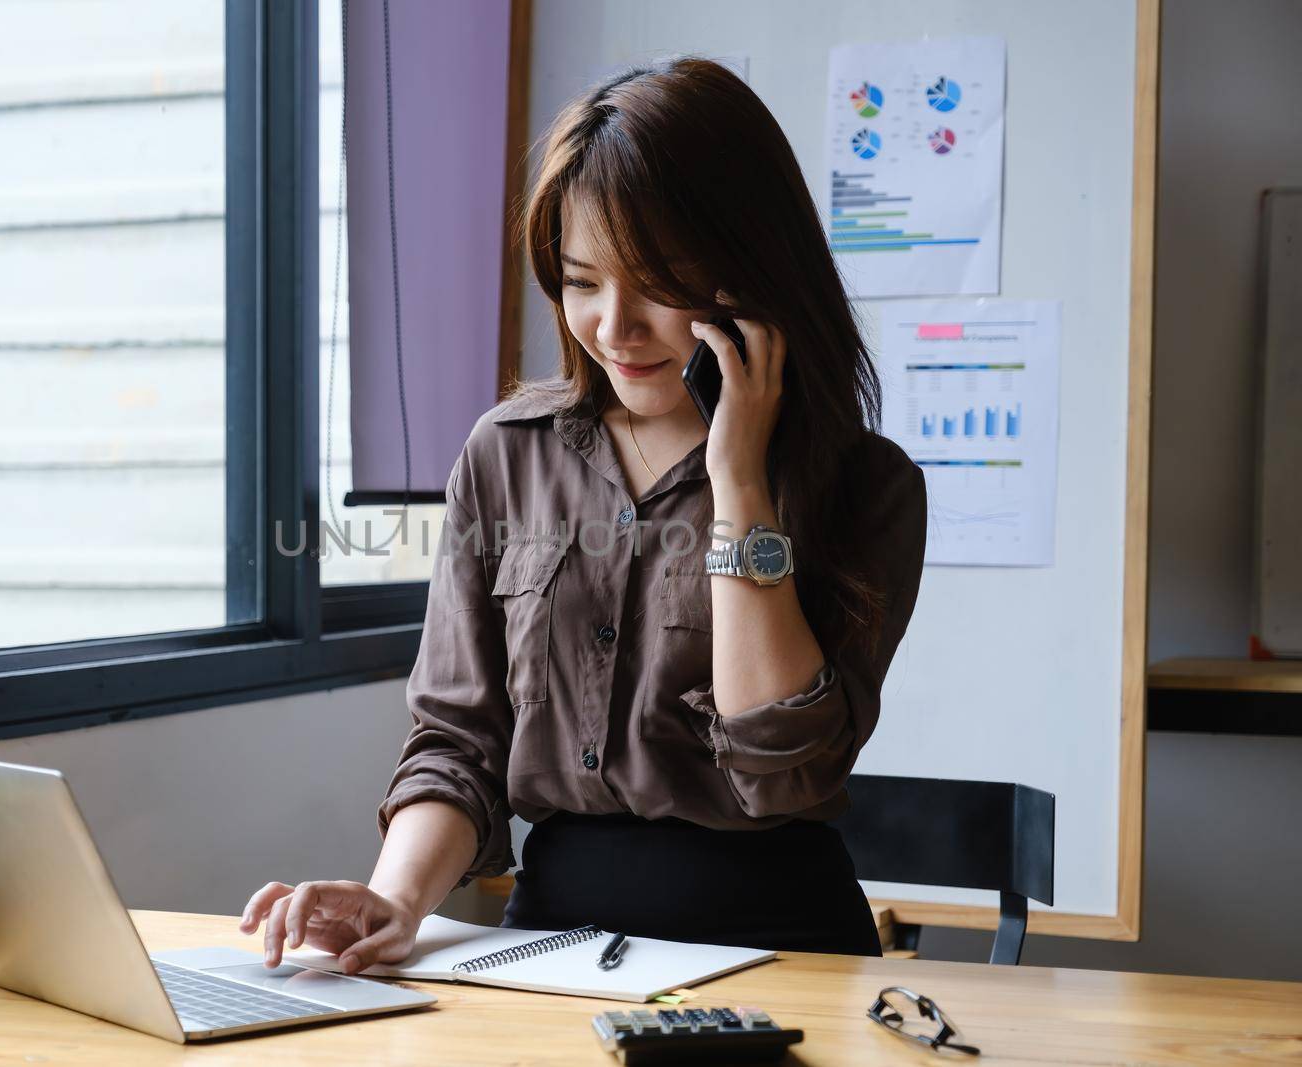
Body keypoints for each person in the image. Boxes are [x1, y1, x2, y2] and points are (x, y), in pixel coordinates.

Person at [240, 56, 927, 972]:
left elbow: (783, 764)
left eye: (661, 280)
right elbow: (459, 739)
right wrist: (395, 898)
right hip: (551, 947)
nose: (615, 326)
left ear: (752, 273)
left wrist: (738, 482)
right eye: (581, 280)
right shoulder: (507, 454)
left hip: (784, 952)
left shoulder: (864, 486)